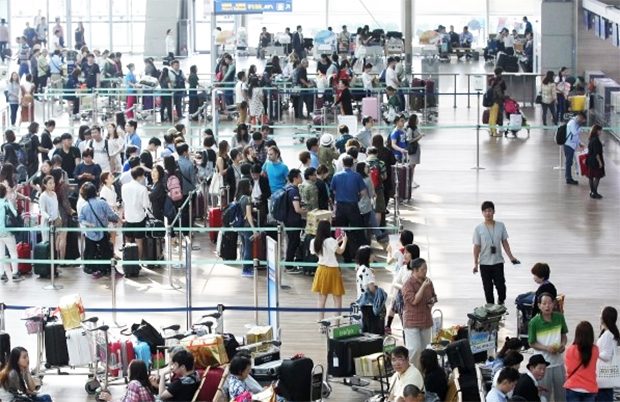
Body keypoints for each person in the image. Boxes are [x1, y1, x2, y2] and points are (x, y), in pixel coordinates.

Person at [472, 201, 519, 305]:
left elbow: (504, 241)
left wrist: (511, 257)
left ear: (494, 211)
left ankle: (501, 301)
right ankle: (491, 310)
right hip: (484, 263)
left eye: (489, 210)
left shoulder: (500, 226)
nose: (487, 213)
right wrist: (475, 263)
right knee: (488, 289)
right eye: (485, 211)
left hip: (497, 262)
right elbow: (476, 246)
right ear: (482, 213)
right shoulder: (478, 229)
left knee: (501, 286)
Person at [528, 293, 569, 402]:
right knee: (544, 394)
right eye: (544, 303)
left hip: (558, 362)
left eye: (550, 303)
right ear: (539, 305)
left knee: (562, 393)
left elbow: (564, 335)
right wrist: (546, 348)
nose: (547, 306)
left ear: (554, 304)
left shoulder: (559, 318)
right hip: (543, 365)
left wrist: (563, 344)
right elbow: (531, 343)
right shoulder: (534, 322)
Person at [330, 155, 368, 263]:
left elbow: (333, 191)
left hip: (340, 207)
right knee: (358, 231)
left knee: (342, 231)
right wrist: (356, 199)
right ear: (353, 164)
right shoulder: (357, 176)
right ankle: (362, 255)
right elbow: (363, 192)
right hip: (353, 206)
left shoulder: (336, 176)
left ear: (342, 164)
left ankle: (345, 256)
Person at [79, 182, 119, 278]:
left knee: (91, 251)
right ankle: (105, 269)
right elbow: (112, 215)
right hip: (103, 232)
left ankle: (93, 269)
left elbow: (81, 219)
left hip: (90, 234)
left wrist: (88, 224)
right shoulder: (102, 203)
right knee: (106, 251)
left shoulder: (84, 207)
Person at [402, 258, 437, 369]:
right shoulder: (408, 283)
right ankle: (411, 371)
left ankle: (423, 371)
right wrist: (423, 287)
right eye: (423, 269)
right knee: (414, 349)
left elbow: (433, 296)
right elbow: (414, 301)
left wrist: (432, 301)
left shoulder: (428, 281)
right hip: (412, 321)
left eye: (426, 269)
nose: (425, 271)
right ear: (415, 270)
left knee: (424, 350)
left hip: (426, 319)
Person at [564, 321, 600, 402]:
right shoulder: (595, 349)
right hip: (590, 388)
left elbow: (569, 369)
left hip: (573, 387)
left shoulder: (571, 349)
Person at [355, 245, 386, 335]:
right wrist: (381, 294)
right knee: (373, 328)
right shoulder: (366, 271)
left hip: (362, 302)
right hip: (369, 304)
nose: (373, 255)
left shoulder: (360, 269)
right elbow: (371, 288)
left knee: (366, 326)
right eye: (371, 254)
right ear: (367, 256)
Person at [122, 167, 150, 259]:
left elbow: (124, 200)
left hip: (128, 217)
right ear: (140, 176)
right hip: (139, 218)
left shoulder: (124, 187)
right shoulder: (143, 189)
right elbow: (146, 205)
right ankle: (138, 262)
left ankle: (128, 260)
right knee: (139, 242)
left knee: (128, 241)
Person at [283, 169, 306, 270]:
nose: (301, 178)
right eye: (300, 177)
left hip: (288, 220)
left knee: (292, 241)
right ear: (295, 178)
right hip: (293, 221)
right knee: (293, 242)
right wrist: (307, 211)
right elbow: (297, 209)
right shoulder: (294, 191)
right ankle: (289, 264)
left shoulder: (288, 188)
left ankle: (289, 262)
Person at [0, 183, 24, 283]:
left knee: (1, 254)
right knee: (13, 252)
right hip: (8, 231)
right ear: (5, 193)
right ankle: (15, 273)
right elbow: (14, 213)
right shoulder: (6, 202)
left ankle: (2, 274)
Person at [596, 306, 620, 402]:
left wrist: (594, 352)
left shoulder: (607, 335)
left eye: (601, 315)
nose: (599, 317)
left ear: (605, 318)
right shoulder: (610, 333)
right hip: (607, 375)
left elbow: (606, 356)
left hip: (603, 375)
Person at [564, 112, 586, 185]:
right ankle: (568, 178)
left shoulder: (576, 123)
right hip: (569, 144)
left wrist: (579, 143)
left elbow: (576, 136)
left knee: (569, 162)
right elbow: (574, 133)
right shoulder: (573, 122)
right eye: (582, 119)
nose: (582, 121)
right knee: (568, 162)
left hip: (572, 145)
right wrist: (580, 128)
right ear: (579, 117)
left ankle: (568, 177)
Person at [585, 124, 605, 199]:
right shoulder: (596, 140)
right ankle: (595, 192)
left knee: (591, 177)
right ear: (597, 131)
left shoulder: (591, 139)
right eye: (600, 131)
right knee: (597, 176)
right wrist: (600, 162)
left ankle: (592, 192)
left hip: (590, 160)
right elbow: (597, 153)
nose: (600, 132)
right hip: (595, 161)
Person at [405, 114, 424, 189]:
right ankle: (410, 180)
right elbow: (409, 140)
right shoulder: (410, 129)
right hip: (412, 149)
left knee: (413, 165)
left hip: (415, 148)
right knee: (411, 165)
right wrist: (419, 137)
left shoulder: (415, 128)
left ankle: (412, 180)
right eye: (417, 119)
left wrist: (419, 137)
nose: (418, 120)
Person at [489, 67, 507, 137]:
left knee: (491, 116)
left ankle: (491, 131)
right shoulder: (500, 80)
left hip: (492, 100)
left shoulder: (493, 80)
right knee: (496, 116)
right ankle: (495, 132)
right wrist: (503, 97)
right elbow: (502, 89)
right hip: (497, 101)